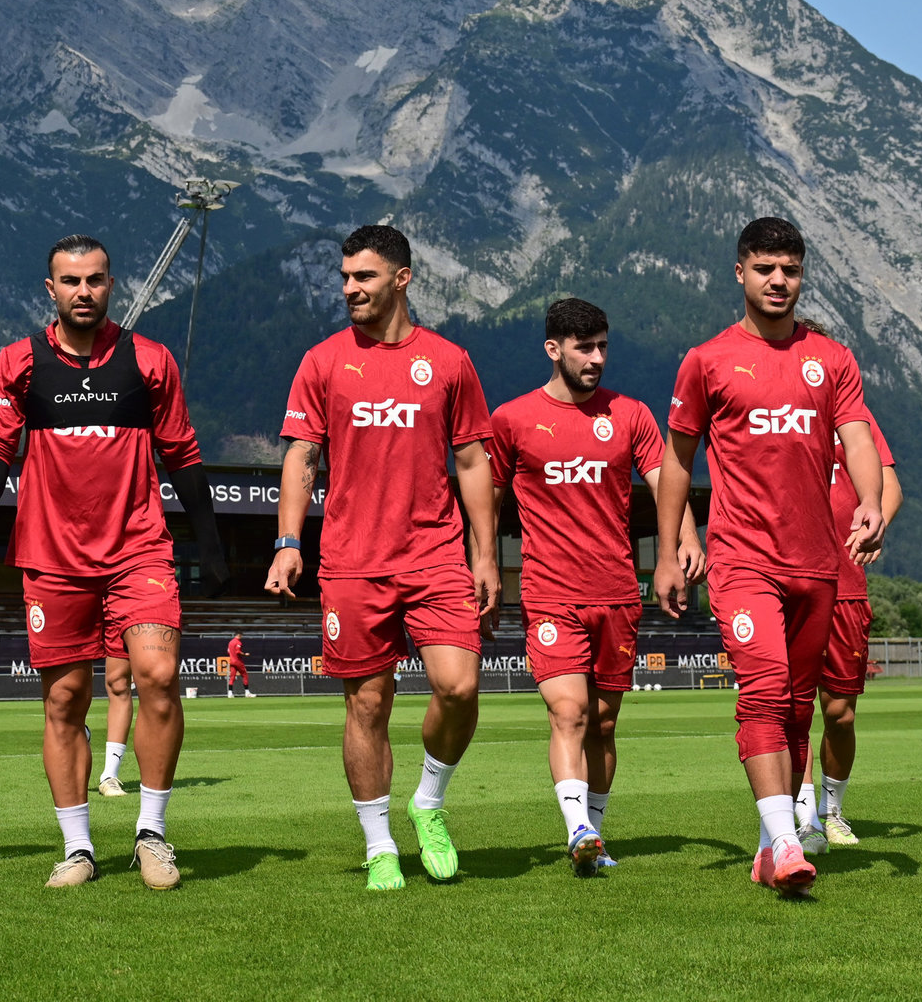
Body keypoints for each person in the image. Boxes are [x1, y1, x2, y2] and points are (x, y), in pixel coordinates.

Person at [0, 234, 228, 890]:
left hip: (138, 549)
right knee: (63, 701)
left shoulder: (149, 361)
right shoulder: (18, 363)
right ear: (49, 290)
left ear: (111, 285)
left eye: (95, 280)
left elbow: (183, 452)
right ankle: (78, 848)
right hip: (52, 559)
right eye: (70, 281)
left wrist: (210, 539)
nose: (83, 291)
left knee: (159, 676)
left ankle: (151, 835)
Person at [652, 217, 885, 894]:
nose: (777, 281)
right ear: (739, 273)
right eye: (763, 269)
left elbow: (857, 434)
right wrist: (669, 551)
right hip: (741, 559)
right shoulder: (707, 360)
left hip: (818, 562)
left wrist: (868, 500)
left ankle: (765, 846)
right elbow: (675, 459)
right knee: (761, 687)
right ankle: (786, 842)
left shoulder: (832, 359)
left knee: (795, 707)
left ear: (801, 274)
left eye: (789, 269)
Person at [265, 223, 498, 892]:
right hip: (351, 562)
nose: (348, 289)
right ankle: (378, 846)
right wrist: (287, 543)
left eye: (362, 277)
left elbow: (473, 460)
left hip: (434, 556)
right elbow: (302, 457)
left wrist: (484, 556)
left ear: (401, 278)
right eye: (343, 278)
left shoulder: (449, 361)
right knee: (367, 704)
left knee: (458, 688)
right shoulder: (322, 362)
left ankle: (427, 802)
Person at [487, 298, 704, 876]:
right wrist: (480, 561)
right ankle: (576, 826)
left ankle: (595, 837)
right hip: (551, 592)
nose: (597, 358)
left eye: (603, 346)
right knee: (570, 712)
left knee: (605, 723)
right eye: (585, 348)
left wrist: (680, 546)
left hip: (616, 593)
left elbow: (666, 484)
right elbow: (485, 495)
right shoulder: (511, 420)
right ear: (553, 349)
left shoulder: (630, 415)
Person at [796, 394, 903, 853]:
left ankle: (832, 809)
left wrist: (875, 525)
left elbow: (890, 487)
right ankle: (802, 817)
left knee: (840, 714)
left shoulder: (855, 420)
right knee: (790, 709)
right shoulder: (779, 417)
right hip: (792, 580)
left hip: (846, 585)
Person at [97, 651, 135, 796]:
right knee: (69, 688)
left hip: (117, 628)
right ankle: (81, 733)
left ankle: (109, 776)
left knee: (118, 684)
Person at [225, 632, 253, 698]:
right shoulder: (238, 642)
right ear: (239, 635)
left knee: (232, 677)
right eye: (241, 636)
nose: (241, 637)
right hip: (237, 661)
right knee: (245, 675)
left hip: (231, 661)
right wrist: (245, 654)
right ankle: (247, 692)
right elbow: (238, 651)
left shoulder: (230, 642)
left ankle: (230, 693)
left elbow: (228, 651)